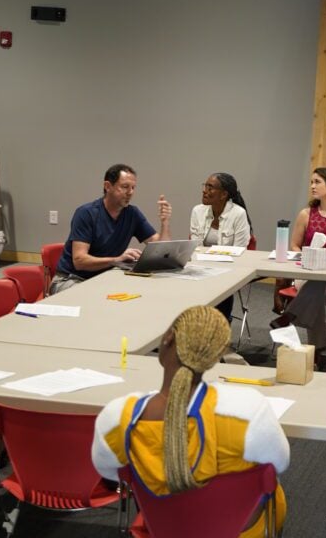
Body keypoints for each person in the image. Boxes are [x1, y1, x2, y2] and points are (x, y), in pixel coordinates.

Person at [92, 306, 290, 538]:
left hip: (164, 529)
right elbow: (279, 463)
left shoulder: (117, 417)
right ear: (216, 357)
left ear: (167, 340)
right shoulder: (248, 411)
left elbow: (113, 473)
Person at [269, 168, 326, 362]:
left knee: (320, 281)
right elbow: (295, 244)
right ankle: (317, 351)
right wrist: (307, 256)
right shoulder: (306, 214)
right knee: (317, 284)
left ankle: (289, 317)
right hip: (308, 272)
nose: (312, 186)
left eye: (317, 182)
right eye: (311, 182)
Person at [50, 164, 173, 295]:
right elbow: (80, 261)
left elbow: (162, 249)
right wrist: (117, 259)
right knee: (102, 298)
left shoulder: (132, 213)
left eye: (133, 188)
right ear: (108, 186)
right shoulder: (86, 213)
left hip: (102, 278)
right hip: (70, 280)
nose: (130, 192)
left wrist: (165, 222)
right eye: (125, 187)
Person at [189, 172, 252, 320]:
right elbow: (196, 246)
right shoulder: (197, 211)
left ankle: (221, 326)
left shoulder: (238, 214)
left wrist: (213, 258)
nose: (204, 190)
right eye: (205, 186)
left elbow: (239, 251)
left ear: (224, 194)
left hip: (228, 269)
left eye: (210, 187)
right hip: (201, 267)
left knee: (221, 288)